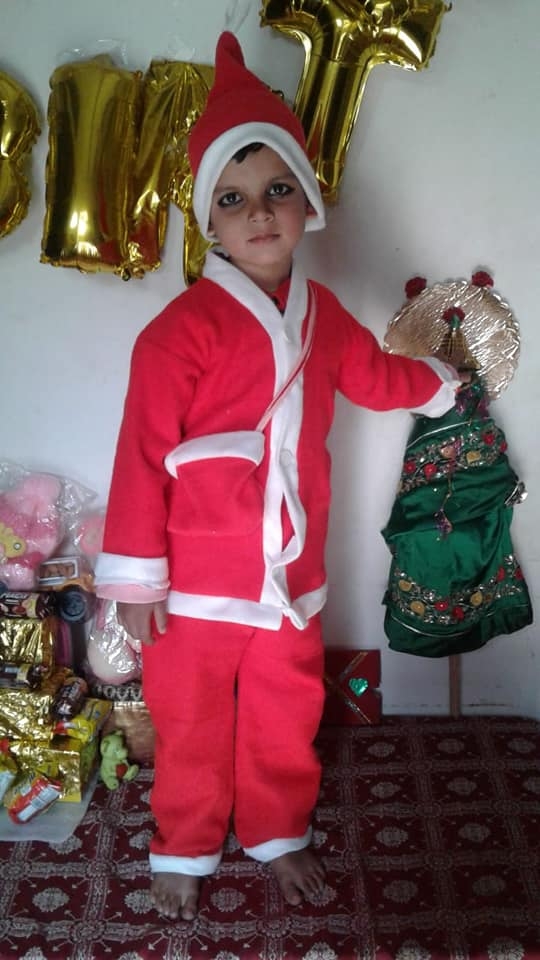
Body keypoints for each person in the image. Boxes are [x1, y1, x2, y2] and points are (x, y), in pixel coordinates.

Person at [94, 31, 463, 921]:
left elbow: (374, 376)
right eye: (233, 198)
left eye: (277, 190)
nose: (259, 213)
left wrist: (440, 384)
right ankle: (184, 843)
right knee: (190, 721)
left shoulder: (322, 314)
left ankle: (277, 831)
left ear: (307, 200)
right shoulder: (176, 334)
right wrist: (137, 582)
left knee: (283, 712)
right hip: (193, 584)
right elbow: (140, 456)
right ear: (208, 220)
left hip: (289, 573)